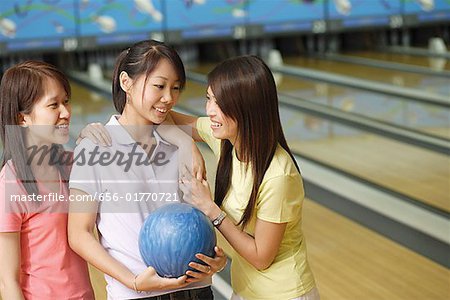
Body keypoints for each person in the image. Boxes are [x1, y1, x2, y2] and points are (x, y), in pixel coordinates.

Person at [68, 39, 226, 300]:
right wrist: (133, 282)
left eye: (176, 88)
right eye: (159, 86)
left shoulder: (179, 143)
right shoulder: (95, 146)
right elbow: (78, 233)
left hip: (196, 289)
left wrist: (215, 258)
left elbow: (197, 218)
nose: (169, 98)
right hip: (135, 293)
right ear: (126, 82)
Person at [174, 55, 319, 300]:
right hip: (246, 291)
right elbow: (165, 118)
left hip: (284, 294)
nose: (210, 111)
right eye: (209, 98)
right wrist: (189, 147)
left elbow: (261, 257)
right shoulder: (226, 139)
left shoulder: (278, 175)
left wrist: (211, 210)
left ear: (247, 109)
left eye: (221, 103)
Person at [0, 61, 94, 299]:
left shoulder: (74, 166)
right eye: (54, 105)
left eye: (66, 101)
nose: (66, 112)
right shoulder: (11, 183)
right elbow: (7, 283)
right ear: (23, 119)